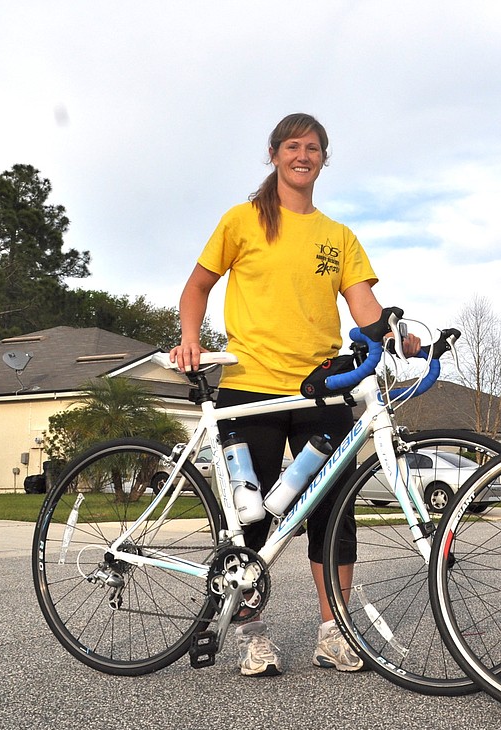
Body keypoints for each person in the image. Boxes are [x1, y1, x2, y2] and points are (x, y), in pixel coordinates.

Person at [171, 112, 417, 677]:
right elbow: (198, 285)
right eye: (292, 146)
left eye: (313, 148)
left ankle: (336, 632)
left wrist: (396, 337)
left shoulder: (338, 236)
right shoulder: (242, 220)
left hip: (322, 386)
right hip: (250, 383)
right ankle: (254, 636)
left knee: (333, 515)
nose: (302, 156)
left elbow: (363, 308)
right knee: (250, 521)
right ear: (275, 154)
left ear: (324, 160)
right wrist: (190, 338)